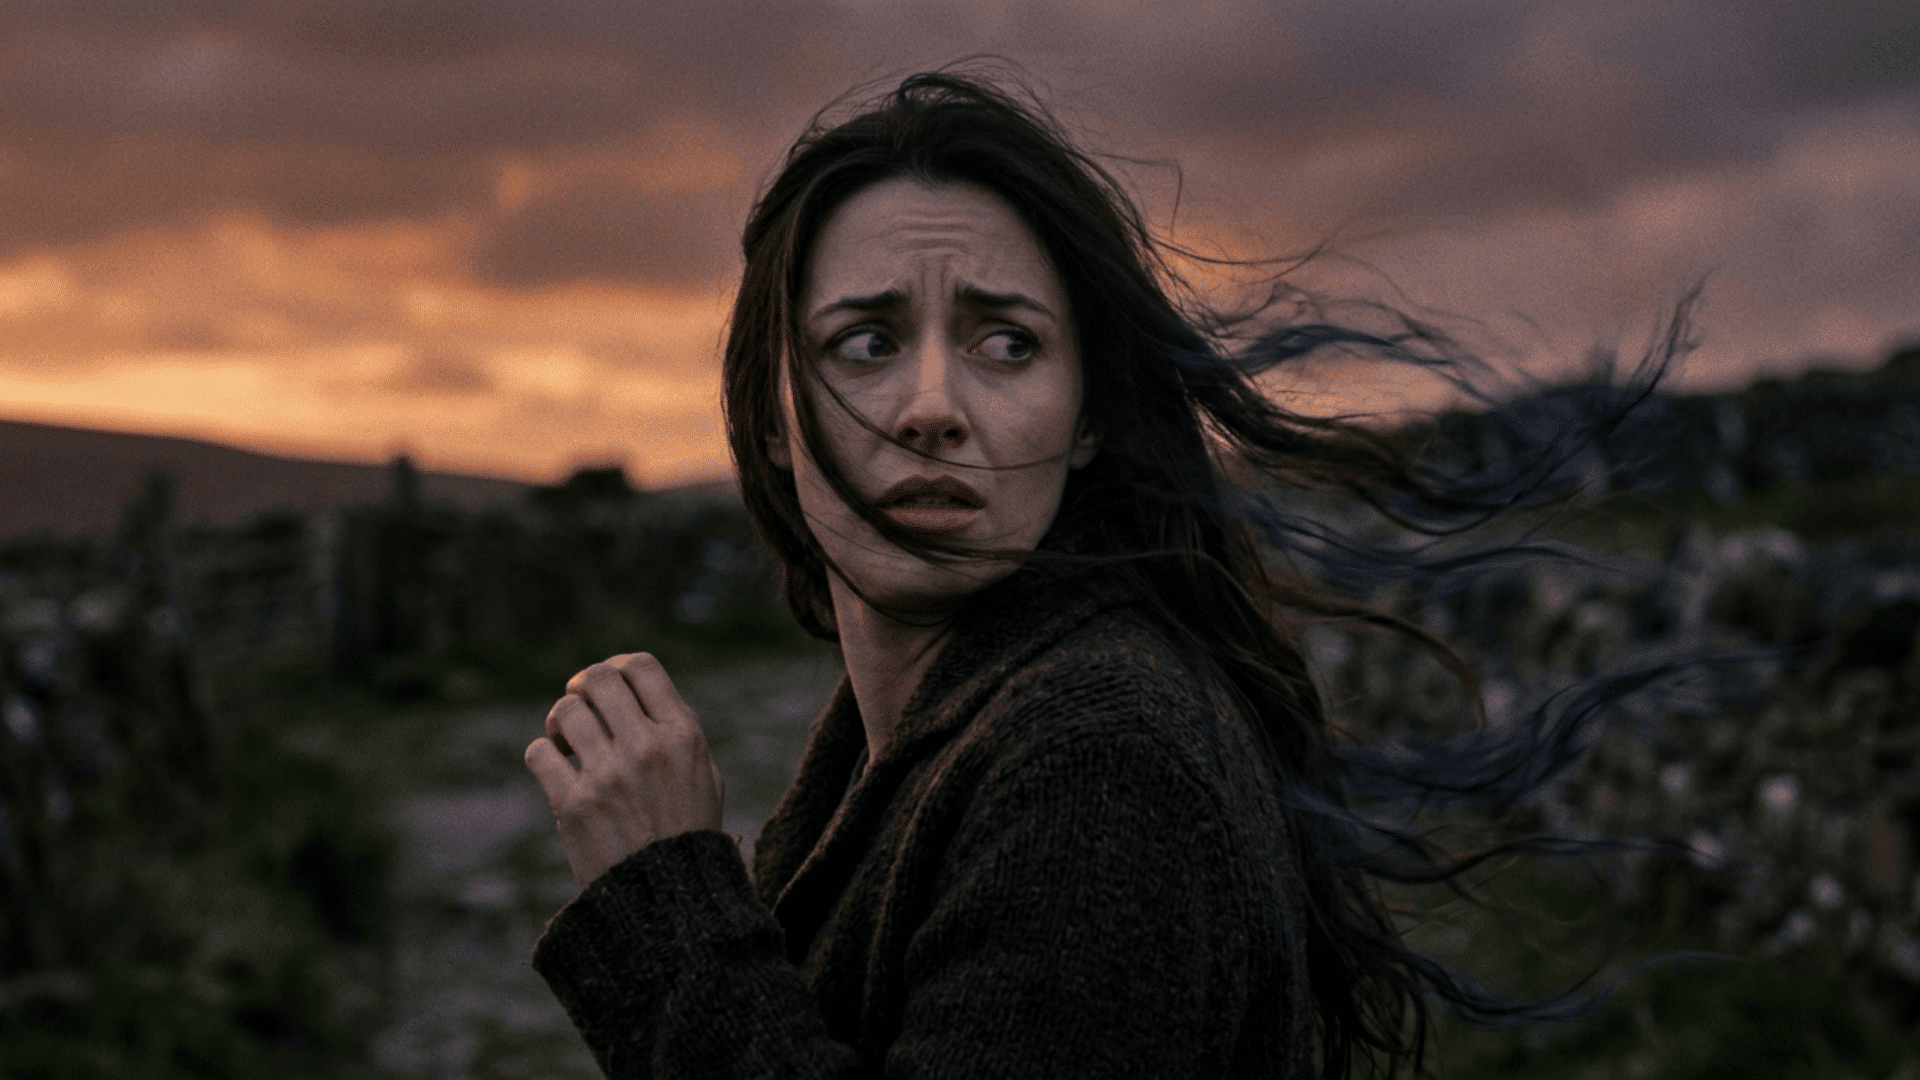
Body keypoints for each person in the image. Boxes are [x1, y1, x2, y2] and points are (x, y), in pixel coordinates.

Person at [523, 66, 1709, 1079]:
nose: (933, 408)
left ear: (1086, 416)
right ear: (774, 415)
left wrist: (669, 902)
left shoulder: (1098, 768)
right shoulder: (933, 725)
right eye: (866, 342)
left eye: (1008, 342)